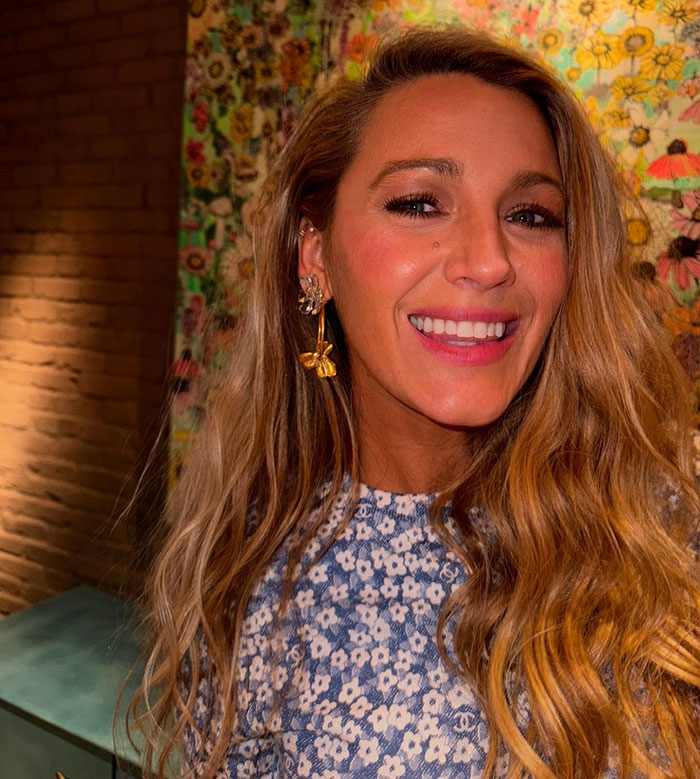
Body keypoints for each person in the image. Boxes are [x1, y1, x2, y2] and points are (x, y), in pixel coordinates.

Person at [129, 26, 700, 779]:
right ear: (315, 254)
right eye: (420, 203)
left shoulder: (659, 523)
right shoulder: (251, 580)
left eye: (531, 215)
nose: (490, 259)